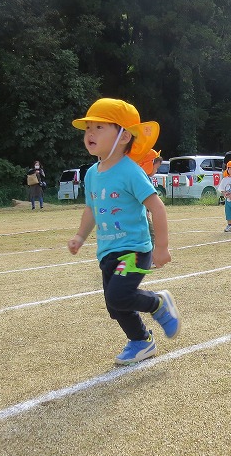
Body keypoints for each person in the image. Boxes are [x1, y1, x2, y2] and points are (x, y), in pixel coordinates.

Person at [67, 98, 179, 365]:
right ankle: (141, 341)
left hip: (134, 249)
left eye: (99, 127)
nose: (90, 133)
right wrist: (80, 236)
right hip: (107, 252)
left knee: (119, 295)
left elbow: (157, 207)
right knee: (115, 305)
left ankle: (158, 304)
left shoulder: (131, 171)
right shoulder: (92, 174)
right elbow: (92, 208)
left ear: (124, 136)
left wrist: (161, 247)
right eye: (88, 128)